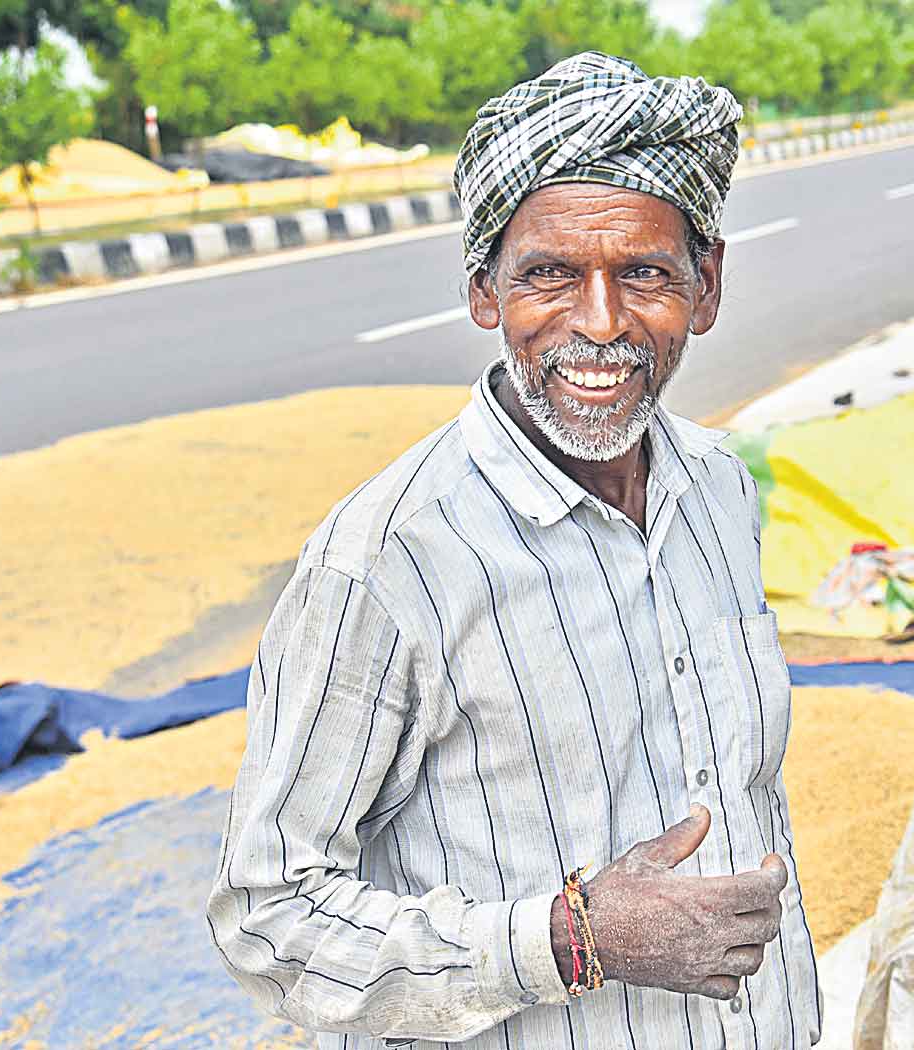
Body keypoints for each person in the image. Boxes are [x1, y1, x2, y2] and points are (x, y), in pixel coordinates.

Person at [207, 52, 821, 1050]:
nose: (599, 323)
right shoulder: (388, 563)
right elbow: (269, 919)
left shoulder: (718, 491)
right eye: (547, 275)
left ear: (706, 288)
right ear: (484, 291)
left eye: (646, 275)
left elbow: (741, 794)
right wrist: (571, 941)